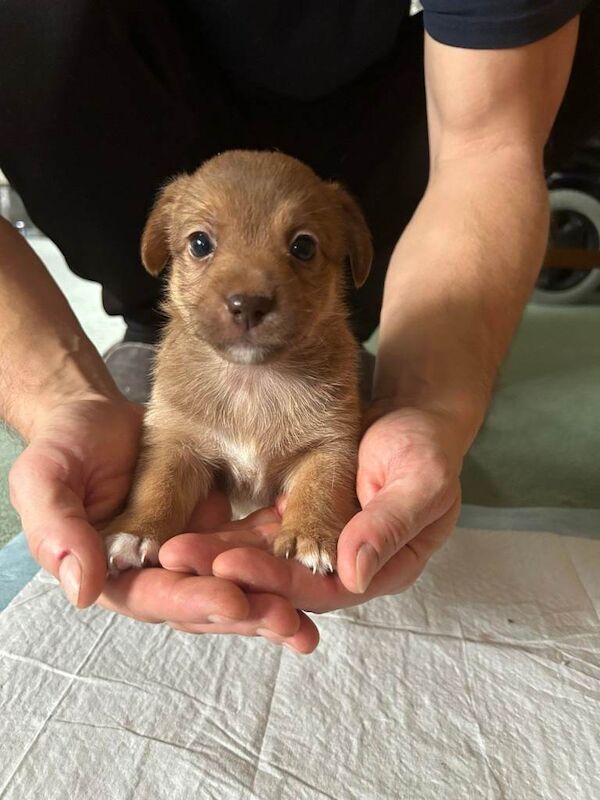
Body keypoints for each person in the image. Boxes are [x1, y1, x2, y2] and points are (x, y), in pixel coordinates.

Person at [0, 1, 597, 653]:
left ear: (350, 255)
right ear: (163, 246)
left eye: (303, 248)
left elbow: (490, 145)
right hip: (117, 86)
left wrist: (432, 402)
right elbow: (178, 451)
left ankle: (387, 364)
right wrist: (63, 400)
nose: (251, 288)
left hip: (380, 114)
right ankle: (142, 336)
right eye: (201, 244)